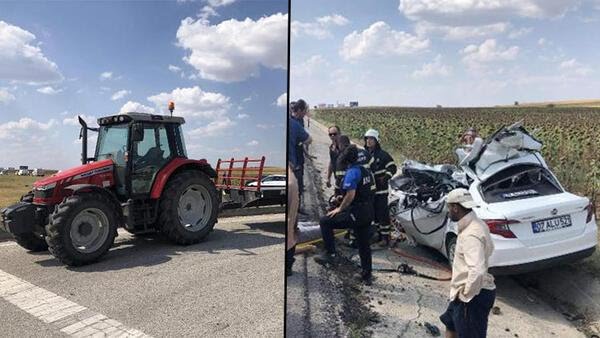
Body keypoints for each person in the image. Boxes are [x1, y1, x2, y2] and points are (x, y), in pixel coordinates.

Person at [315, 145, 375, 285]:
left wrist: (340, 209)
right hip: (368, 211)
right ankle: (367, 273)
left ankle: (331, 254)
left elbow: (351, 194)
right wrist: (343, 199)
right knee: (363, 243)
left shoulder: (352, 172)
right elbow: (364, 191)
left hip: (357, 212)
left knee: (325, 221)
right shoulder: (365, 171)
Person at [440, 188, 496, 338]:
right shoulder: (477, 224)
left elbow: (476, 270)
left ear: (455, 208)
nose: (448, 211)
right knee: (450, 323)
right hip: (462, 293)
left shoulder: (471, 234)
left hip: (472, 297)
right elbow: (490, 249)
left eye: (449, 207)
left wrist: (465, 294)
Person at [286, 102, 312, 276]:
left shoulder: (290, 122)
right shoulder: (295, 125)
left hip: (289, 169)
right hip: (292, 171)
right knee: (291, 221)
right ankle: (288, 266)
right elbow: (309, 139)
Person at [364, 128, 396, 248]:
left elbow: (392, 167)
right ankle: (377, 235)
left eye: (371, 139)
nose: (368, 141)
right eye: (367, 139)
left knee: (382, 214)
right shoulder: (366, 155)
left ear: (376, 141)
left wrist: (385, 177)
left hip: (381, 190)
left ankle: (385, 238)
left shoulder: (383, 155)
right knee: (374, 214)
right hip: (371, 191)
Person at [290, 99, 309, 210]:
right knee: (294, 187)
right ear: (300, 110)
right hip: (293, 161)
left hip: (299, 159)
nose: (306, 113)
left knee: (300, 187)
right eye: (305, 110)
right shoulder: (292, 122)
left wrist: (306, 152)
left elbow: (302, 140)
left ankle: (298, 208)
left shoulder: (300, 121)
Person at [326, 125, 342, 190]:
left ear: (339, 134)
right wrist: (328, 178)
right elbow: (332, 163)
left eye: (335, 134)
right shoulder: (332, 148)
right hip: (337, 179)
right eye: (330, 134)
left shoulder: (345, 148)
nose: (332, 136)